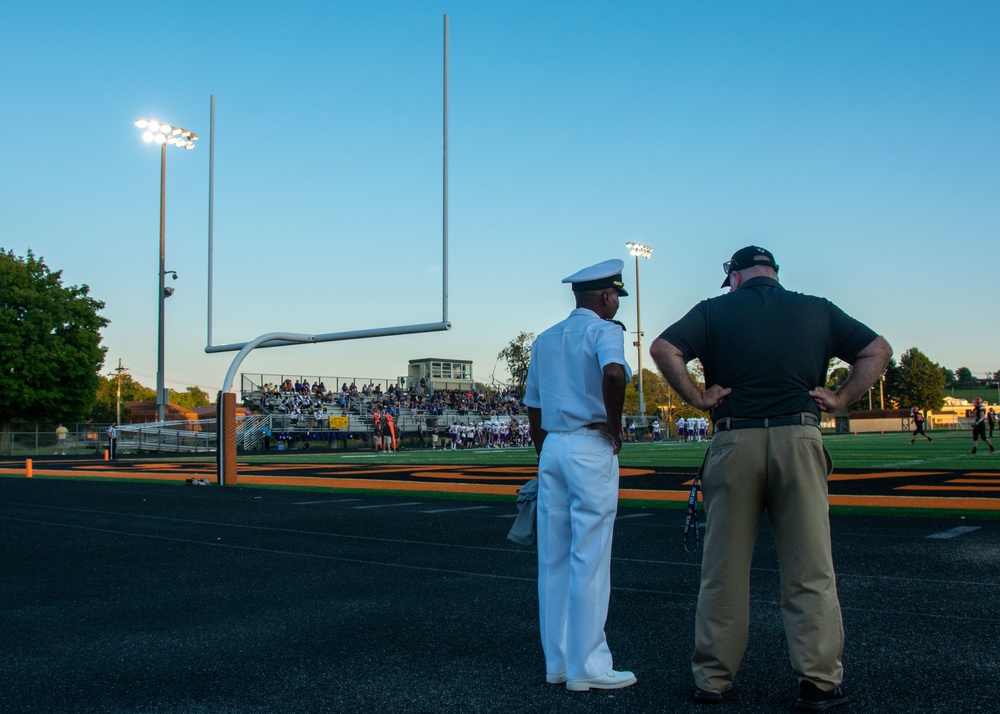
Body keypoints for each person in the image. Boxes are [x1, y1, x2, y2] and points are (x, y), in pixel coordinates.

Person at [649, 245, 892, 711]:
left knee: (723, 571)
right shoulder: (816, 309)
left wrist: (699, 397)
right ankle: (819, 681)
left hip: (734, 440)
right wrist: (841, 398)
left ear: (735, 278)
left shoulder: (713, 311)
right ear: (774, 274)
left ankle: (712, 680)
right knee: (811, 570)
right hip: (798, 440)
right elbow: (877, 350)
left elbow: (664, 347)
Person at [524, 258, 637, 693]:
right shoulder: (605, 331)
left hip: (553, 444)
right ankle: (587, 665)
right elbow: (613, 372)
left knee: (553, 556)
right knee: (589, 558)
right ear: (606, 296)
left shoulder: (545, 339)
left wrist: (545, 452)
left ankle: (558, 662)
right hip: (590, 443)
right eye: (614, 297)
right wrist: (613, 423)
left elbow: (533, 404)